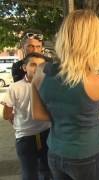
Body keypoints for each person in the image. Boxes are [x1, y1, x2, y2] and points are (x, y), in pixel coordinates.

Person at [31, 10, 99, 180]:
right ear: (93, 42)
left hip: (55, 152)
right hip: (86, 155)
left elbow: (37, 114)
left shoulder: (40, 72)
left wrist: (63, 117)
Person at [1, 52, 51, 180]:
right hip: (25, 138)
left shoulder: (49, 85)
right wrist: (17, 121)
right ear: (24, 68)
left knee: (47, 172)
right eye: (33, 65)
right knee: (29, 173)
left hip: (47, 133)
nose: (37, 69)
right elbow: (6, 114)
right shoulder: (15, 87)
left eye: (41, 65)